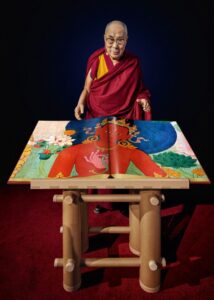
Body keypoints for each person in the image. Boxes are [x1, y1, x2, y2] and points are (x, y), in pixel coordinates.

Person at [74, 20, 152, 213]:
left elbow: (138, 89)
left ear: (126, 40)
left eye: (120, 41)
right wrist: (80, 102)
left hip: (123, 116)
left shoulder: (133, 63)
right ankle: (101, 201)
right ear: (104, 39)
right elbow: (87, 87)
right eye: (110, 40)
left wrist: (142, 99)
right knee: (98, 158)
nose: (115, 46)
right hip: (97, 114)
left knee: (123, 157)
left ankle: (127, 196)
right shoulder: (97, 60)